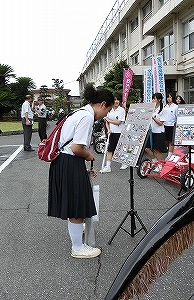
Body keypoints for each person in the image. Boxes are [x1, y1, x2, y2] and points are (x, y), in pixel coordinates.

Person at [48, 84, 114, 259]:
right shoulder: (86, 117)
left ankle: (77, 240)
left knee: (73, 204)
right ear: (102, 104)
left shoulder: (78, 113)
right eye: (106, 111)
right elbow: (77, 148)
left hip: (64, 162)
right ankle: (78, 248)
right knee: (76, 207)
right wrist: (89, 156)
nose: (105, 116)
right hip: (69, 162)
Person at [101, 94, 127, 173]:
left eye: (118, 100)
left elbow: (118, 122)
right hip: (111, 132)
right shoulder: (110, 109)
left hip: (119, 132)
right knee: (110, 149)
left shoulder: (122, 110)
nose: (116, 101)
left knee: (120, 148)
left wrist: (109, 120)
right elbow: (106, 122)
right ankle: (108, 166)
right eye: (115, 100)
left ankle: (124, 163)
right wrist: (108, 129)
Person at [145, 93, 167, 172]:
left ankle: (160, 165)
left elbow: (161, 123)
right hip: (151, 131)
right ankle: (154, 161)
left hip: (159, 132)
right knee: (147, 148)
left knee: (157, 150)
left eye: (154, 99)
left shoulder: (163, 109)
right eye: (153, 99)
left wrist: (153, 117)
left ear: (159, 100)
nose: (153, 100)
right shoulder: (152, 108)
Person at [163, 93, 178, 160]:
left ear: (173, 98)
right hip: (165, 125)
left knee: (171, 141)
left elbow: (177, 117)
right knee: (167, 141)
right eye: (168, 97)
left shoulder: (175, 106)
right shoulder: (165, 106)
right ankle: (170, 152)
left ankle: (169, 155)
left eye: (170, 97)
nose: (169, 98)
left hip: (172, 125)